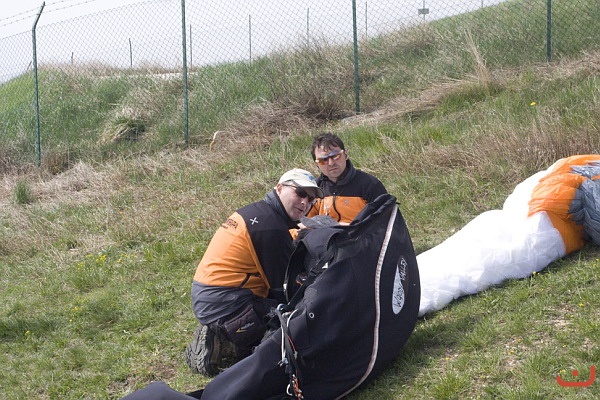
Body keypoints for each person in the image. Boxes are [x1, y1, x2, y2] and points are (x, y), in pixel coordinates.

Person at [185, 168, 323, 377]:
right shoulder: (270, 228)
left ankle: (224, 334)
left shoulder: (260, 213)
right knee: (294, 320)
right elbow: (285, 290)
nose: (305, 202)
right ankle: (226, 346)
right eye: (300, 193)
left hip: (212, 296)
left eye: (311, 199)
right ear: (279, 188)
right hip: (225, 303)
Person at [307, 132, 388, 224]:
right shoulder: (314, 189)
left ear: (345, 155)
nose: (331, 163)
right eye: (323, 160)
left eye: (335, 156)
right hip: (325, 233)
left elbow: (384, 223)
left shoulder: (370, 185)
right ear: (316, 164)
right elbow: (305, 224)